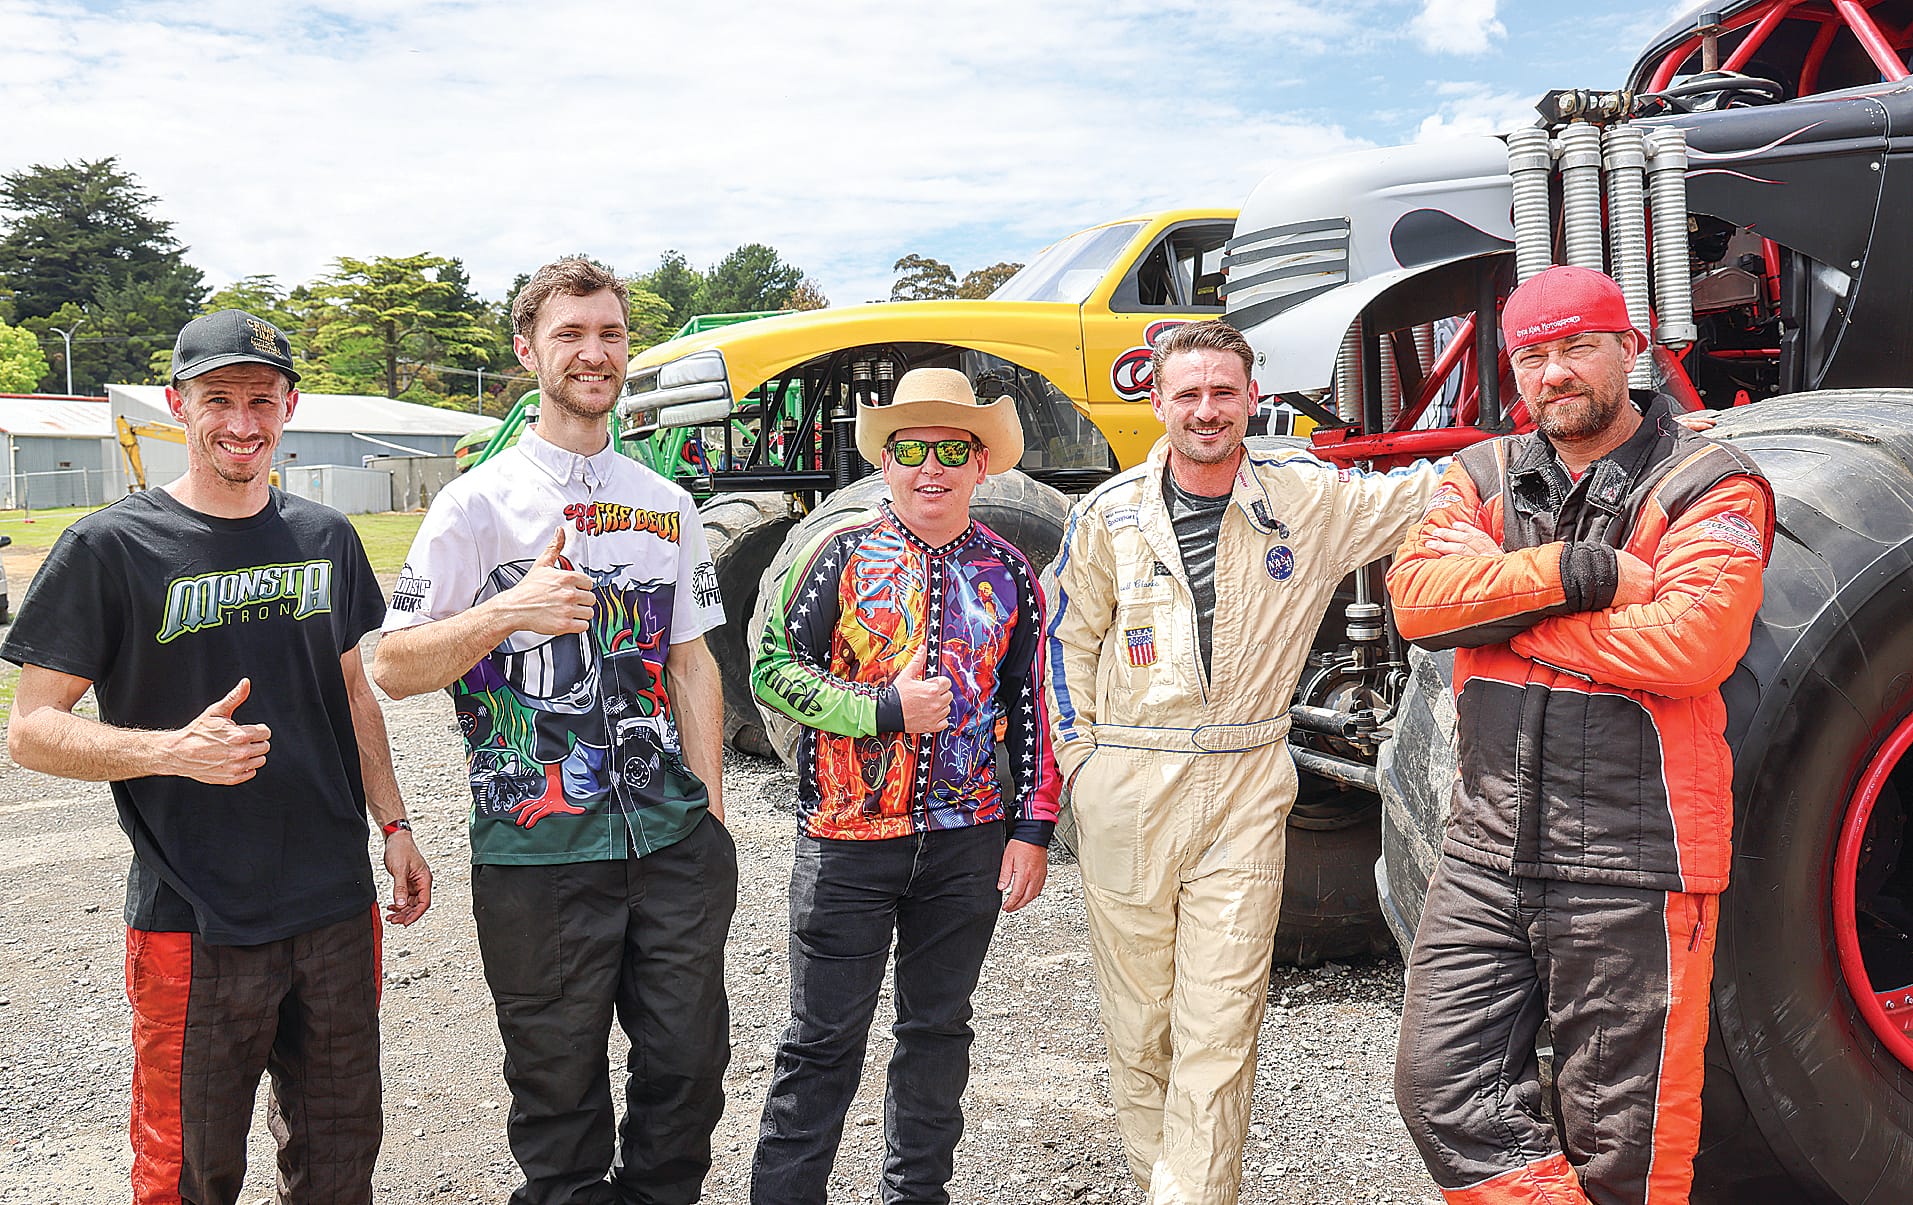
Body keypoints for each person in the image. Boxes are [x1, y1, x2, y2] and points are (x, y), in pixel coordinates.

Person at [3, 309, 431, 1205]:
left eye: (261, 400)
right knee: (186, 1171)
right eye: (219, 399)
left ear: (289, 407)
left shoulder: (325, 537)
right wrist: (171, 750)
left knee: (341, 1158)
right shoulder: (110, 547)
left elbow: (355, 692)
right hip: (195, 920)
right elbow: (31, 727)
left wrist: (393, 823)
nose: (242, 422)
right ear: (177, 404)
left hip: (333, 908)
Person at [1386, 265, 1775, 1205]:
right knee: (1440, 1091)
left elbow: (1689, 642)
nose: (1553, 371)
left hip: (1635, 856)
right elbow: (1417, 600)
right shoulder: (1476, 474)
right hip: (1484, 849)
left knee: (1628, 1143)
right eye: (1532, 354)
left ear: (1628, 350)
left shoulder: (1711, 483)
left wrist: (1504, 614)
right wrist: (1580, 571)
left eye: (1575, 347)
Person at [1045, 318, 1439, 1204]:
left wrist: (1592, 435)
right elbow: (1062, 643)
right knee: (1139, 1025)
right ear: (1157, 403)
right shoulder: (1106, 516)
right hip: (1128, 781)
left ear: (1251, 398)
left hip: (1245, 778)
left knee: (1220, 1024)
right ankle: (1160, 1180)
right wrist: (1081, 766)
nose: (1206, 409)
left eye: (1224, 390)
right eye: (1187, 393)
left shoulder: (1305, 501)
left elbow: (1426, 490)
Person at [371, 258, 736, 1205]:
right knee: (557, 1092)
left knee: (690, 1071)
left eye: (610, 333)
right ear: (529, 351)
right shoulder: (475, 504)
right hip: (537, 855)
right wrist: (507, 612)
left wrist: (712, 817)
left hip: (669, 843)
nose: (594, 351)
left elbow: (693, 663)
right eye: (571, 334)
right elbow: (392, 665)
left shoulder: (666, 503)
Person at [749, 367, 1060, 1205]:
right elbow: (772, 673)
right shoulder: (837, 554)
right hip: (847, 840)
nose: (931, 466)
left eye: (951, 448)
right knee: (820, 1042)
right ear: (884, 462)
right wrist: (881, 708)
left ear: (980, 462)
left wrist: (1031, 829)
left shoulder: (1007, 573)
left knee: (936, 1032)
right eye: (912, 447)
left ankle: (916, 1196)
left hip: (967, 844)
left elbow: (1030, 702)